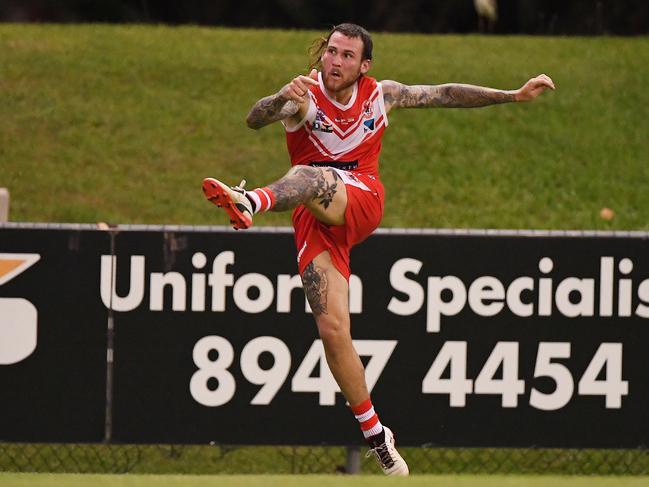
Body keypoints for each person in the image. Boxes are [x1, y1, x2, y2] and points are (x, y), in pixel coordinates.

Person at [202, 23, 554, 476]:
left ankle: (249, 201)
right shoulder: (302, 94)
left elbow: (445, 93)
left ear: (364, 65)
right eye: (332, 51)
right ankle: (376, 434)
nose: (335, 61)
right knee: (332, 330)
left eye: (348, 55)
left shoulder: (380, 95)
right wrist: (277, 99)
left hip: (361, 199)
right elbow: (254, 119)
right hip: (315, 215)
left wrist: (512, 94)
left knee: (311, 174)